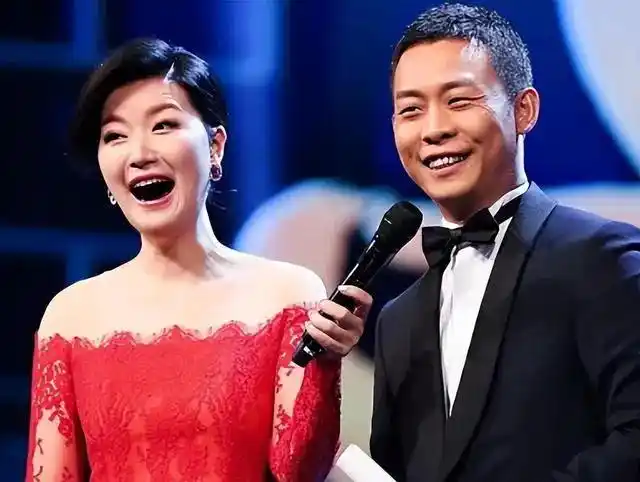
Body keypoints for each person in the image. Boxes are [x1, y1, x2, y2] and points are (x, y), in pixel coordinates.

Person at [26, 38, 372, 482]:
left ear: (215, 147)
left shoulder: (287, 294)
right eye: (115, 135)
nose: (139, 153)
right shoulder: (71, 315)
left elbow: (299, 470)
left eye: (164, 125)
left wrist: (325, 362)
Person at [370, 4, 640, 482]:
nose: (433, 129)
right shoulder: (397, 322)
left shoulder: (604, 260)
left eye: (458, 101)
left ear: (523, 110)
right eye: (411, 110)